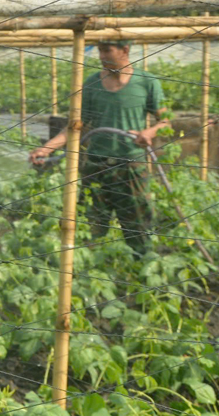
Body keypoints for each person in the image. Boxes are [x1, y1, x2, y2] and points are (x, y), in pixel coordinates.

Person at [28, 40, 169, 256]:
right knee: (92, 224)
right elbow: (75, 126)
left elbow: (166, 122)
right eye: (100, 51)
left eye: (107, 50)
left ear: (125, 50)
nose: (101, 56)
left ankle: (141, 264)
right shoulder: (92, 83)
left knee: (138, 225)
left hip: (131, 166)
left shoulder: (146, 82)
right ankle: (92, 266)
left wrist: (149, 132)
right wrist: (46, 149)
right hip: (96, 165)